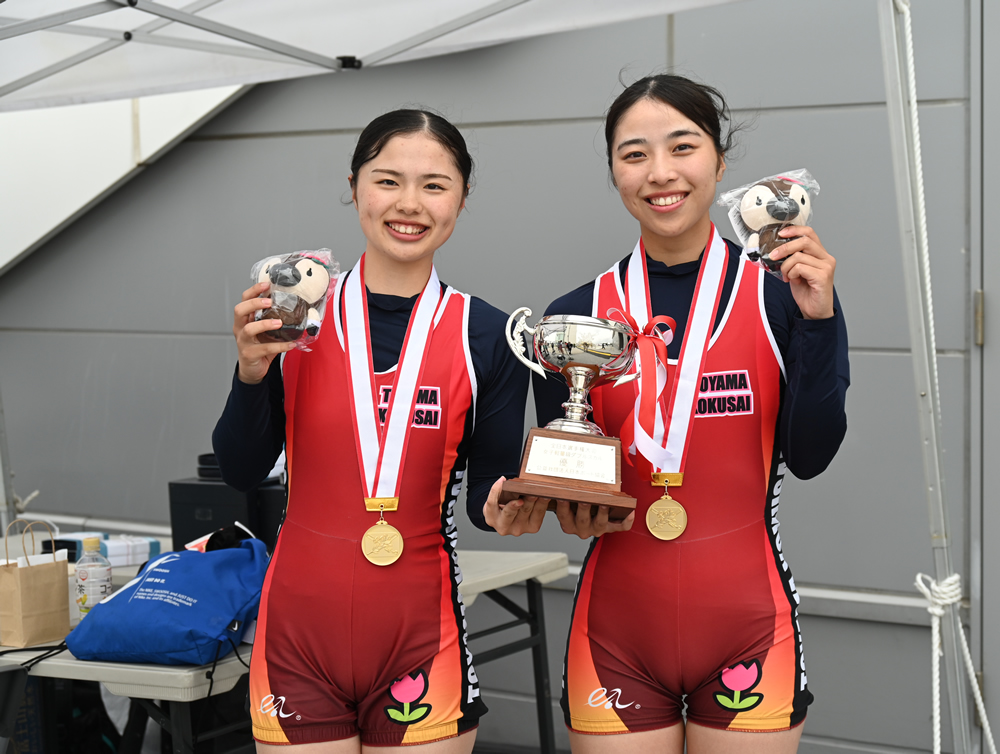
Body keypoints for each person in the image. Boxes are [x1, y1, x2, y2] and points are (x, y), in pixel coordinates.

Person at [522, 75, 850, 753]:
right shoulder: (577, 317)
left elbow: (812, 455)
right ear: (614, 169)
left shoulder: (787, 297)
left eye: (682, 146)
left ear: (720, 163)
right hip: (615, 634)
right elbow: (573, 485)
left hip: (747, 623)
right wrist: (562, 507)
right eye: (634, 153)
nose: (660, 172)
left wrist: (819, 324)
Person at [212, 109, 530, 752]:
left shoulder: (488, 335)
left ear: (462, 200)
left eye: (435, 185)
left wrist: (518, 501)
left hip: (421, 635)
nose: (409, 204)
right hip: (298, 635)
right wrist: (250, 370)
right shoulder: (296, 314)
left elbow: (485, 504)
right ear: (355, 186)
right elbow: (243, 471)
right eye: (388, 180)